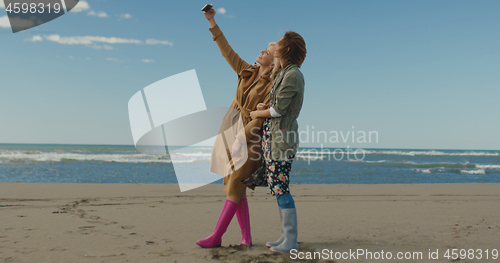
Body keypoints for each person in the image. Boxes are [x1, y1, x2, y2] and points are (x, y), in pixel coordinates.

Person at [196, 5, 278, 248]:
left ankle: (217, 236)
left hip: (249, 137)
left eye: (269, 51)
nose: (263, 50)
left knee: (235, 183)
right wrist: (211, 21)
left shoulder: (273, 85)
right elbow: (226, 51)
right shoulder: (247, 72)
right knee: (235, 185)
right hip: (230, 129)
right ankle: (246, 238)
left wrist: (243, 136)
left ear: (274, 63)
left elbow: (262, 117)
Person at [249, 31, 307, 253]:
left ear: (287, 49)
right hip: (274, 139)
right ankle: (285, 236)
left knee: (281, 188)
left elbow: (279, 110)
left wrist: (257, 113)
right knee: (277, 187)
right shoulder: (283, 73)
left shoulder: (292, 75)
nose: (276, 46)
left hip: (282, 141)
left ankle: (290, 240)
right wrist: (265, 109)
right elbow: (275, 106)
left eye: (280, 44)